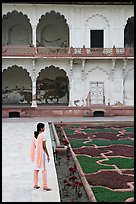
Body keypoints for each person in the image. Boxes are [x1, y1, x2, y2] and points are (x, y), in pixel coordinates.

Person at [30, 122, 52, 191]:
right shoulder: (42, 135)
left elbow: (34, 145)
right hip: (41, 154)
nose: (44, 129)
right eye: (44, 127)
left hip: (36, 153)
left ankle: (35, 184)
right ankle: (45, 186)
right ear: (41, 128)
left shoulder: (35, 135)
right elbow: (44, 147)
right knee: (44, 170)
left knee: (36, 170)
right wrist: (48, 155)